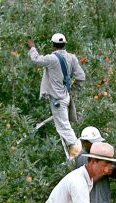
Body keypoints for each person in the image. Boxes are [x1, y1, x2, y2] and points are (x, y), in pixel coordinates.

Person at [27, 33, 85, 161]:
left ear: (53, 45)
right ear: (64, 44)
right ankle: (71, 155)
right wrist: (73, 90)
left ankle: (78, 157)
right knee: (63, 126)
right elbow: (81, 77)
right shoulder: (72, 58)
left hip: (57, 100)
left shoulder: (52, 59)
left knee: (64, 128)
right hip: (65, 97)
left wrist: (32, 48)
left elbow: (36, 59)